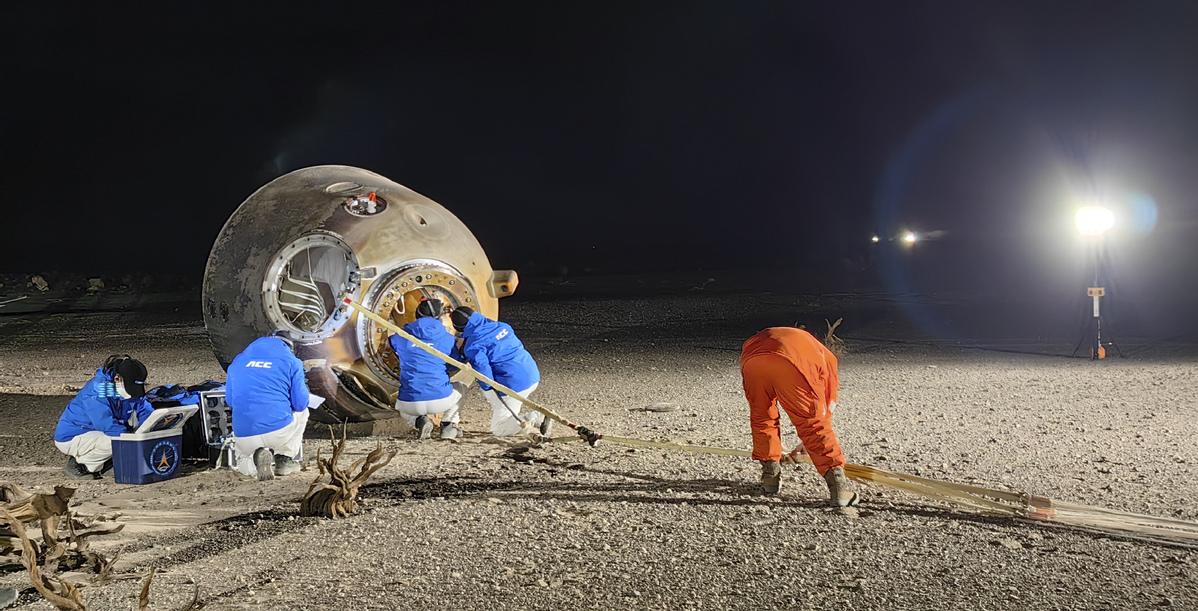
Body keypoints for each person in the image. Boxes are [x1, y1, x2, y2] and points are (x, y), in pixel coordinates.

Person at [740, 326, 858, 506]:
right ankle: (839, 488)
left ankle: (770, 478)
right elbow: (827, 402)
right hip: (791, 362)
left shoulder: (799, 337)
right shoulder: (824, 355)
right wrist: (810, 441)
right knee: (812, 423)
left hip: (752, 358)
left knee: (762, 417)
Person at [450, 306, 550, 438]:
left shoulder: (474, 346)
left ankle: (537, 417)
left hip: (513, 385)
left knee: (499, 428)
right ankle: (531, 418)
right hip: (532, 374)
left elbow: (483, 372)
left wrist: (490, 391)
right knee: (510, 409)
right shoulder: (503, 326)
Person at [225, 332, 311, 481]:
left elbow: (230, 401)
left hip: (244, 434)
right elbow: (300, 403)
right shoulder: (291, 361)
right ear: (288, 347)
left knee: (241, 461)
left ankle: (254, 461)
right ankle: (285, 459)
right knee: (304, 412)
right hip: (279, 431)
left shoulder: (237, 362)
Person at [54, 355, 155, 479]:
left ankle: (110, 463)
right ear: (117, 378)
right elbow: (105, 424)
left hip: (96, 431)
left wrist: (152, 427)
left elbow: (144, 408)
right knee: (118, 441)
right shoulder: (98, 390)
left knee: (133, 428)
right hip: (73, 435)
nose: (133, 392)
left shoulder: (119, 386)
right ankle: (81, 464)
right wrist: (133, 438)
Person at [389, 298, 468, 440]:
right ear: (438, 317)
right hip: (441, 400)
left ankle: (419, 421)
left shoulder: (401, 336)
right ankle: (448, 426)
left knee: (399, 405)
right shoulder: (447, 339)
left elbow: (391, 344)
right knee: (461, 388)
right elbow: (455, 364)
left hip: (410, 402)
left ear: (417, 314)